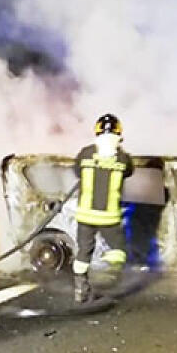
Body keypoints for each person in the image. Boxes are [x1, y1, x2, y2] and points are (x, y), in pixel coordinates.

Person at [72, 113, 134, 303]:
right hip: (109, 217)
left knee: (83, 252)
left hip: (85, 216)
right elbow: (129, 172)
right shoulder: (123, 159)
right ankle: (111, 277)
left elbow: (76, 171)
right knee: (119, 250)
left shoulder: (85, 153)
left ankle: (80, 289)